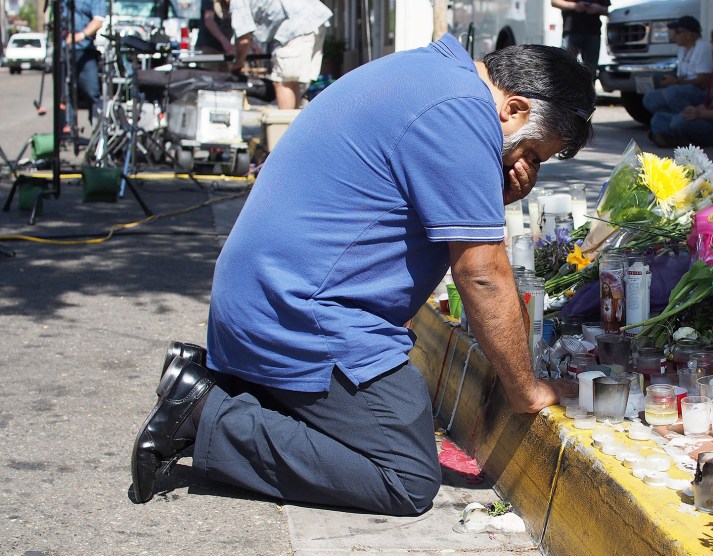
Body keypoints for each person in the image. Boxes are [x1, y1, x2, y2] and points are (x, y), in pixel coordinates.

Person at [130, 34, 594, 513]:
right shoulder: (464, 114)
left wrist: (488, 197)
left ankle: (224, 386)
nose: (528, 167)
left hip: (261, 299)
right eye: (534, 153)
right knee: (407, 477)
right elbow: (481, 273)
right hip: (300, 314)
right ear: (513, 110)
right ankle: (206, 415)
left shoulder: (430, 74)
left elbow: (398, 211)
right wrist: (526, 390)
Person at [647, 23, 713, 148]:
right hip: (710, 120)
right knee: (659, 118)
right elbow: (708, 103)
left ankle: (678, 139)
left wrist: (700, 114)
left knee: (679, 122)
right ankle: (679, 140)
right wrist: (694, 110)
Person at [228, 0, 332, 109]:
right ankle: (292, 122)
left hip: (298, 26)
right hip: (315, 18)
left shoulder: (237, 2)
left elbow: (243, 40)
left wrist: (238, 64)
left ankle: (284, 124)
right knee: (293, 82)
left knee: (283, 82)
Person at [641, 16, 713, 119]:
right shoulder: (682, 50)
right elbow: (682, 76)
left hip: (701, 93)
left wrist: (676, 82)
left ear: (688, 34)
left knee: (672, 93)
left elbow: (704, 81)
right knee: (650, 98)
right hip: (684, 88)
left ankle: (687, 121)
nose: (674, 35)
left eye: (677, 32)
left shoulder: (703, 47)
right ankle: (673, 121)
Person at [65, 0, 106, 125]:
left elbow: (99, 20)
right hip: (63, 50)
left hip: (84, 50)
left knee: (91, 92)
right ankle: (68, 130)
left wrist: (81, 35)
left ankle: (97, 130)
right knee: (64, 94)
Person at [551, 0, 610, 77]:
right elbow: (554, 2)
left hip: (593, 31)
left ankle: (589, 88)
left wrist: (598, 9)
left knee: (591, 69)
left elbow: (607, 10)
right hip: (571, 31)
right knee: (565, 66)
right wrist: (575, 6)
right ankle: (566, 88)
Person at [195, 0, 235, 71]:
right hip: (208, 47)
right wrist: (224, 41)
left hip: (226, 51)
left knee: (227, 78)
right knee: (208, 78)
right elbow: (209, 20)